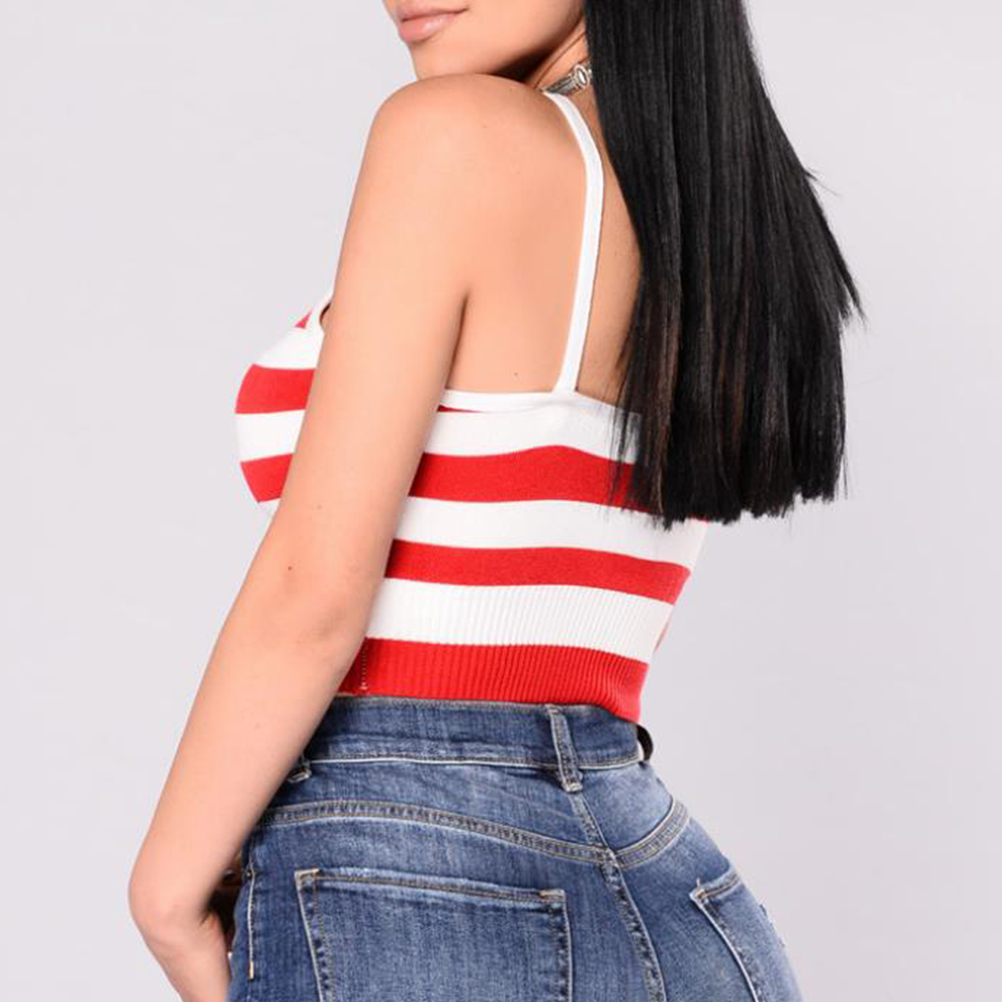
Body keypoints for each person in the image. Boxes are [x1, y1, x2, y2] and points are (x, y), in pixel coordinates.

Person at [129, 2, 862, 1000]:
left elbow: (314, 598)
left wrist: (167, 894)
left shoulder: (453, 136)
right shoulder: (715, 207)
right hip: (685, 908)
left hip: (408, 883)